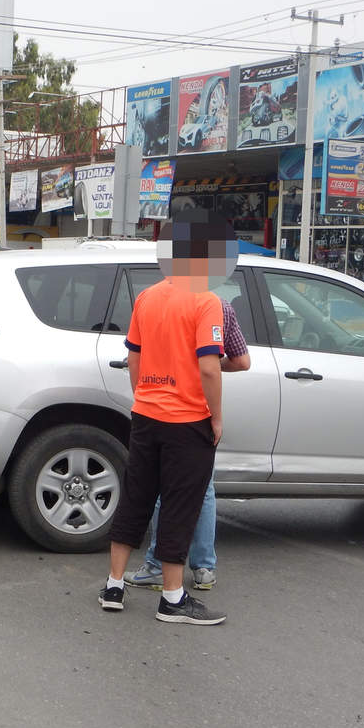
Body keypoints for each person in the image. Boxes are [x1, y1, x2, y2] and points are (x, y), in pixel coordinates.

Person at [98, 210, 237, 625]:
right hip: (187, 421)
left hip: (146, 416)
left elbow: (134, 359)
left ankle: (114, 586)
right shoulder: (206, 300)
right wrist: (215, 417)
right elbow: (210, 368)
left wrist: (145, 397)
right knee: (180, 505)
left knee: (136, 498)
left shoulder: (147, 297)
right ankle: (173, 600)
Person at [125, 298, 250, 592]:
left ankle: (156, 566)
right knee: (203, 488)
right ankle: (204, 567)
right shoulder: (220, 307)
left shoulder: (157, 302)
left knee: (163, 487)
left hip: (163, 407)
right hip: (199, 409)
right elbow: (242, 361)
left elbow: (137, 355)